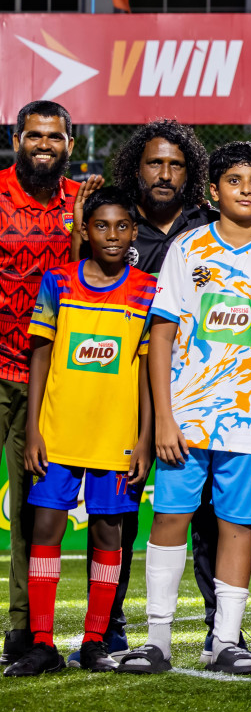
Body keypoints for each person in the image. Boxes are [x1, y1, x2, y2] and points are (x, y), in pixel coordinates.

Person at [118, 142, 251, 676]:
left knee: (238, 525)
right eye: (234, 181)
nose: (245, 189)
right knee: (171, 517)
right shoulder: (189, 248)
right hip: (188, 416)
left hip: (250, 421)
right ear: (212, 191)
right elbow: (162, 333)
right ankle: (157, 641)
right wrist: (165, 419)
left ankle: (224, 640)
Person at [4, 188, 155, 676]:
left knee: (109, 532)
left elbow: (149, 374)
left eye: (122, 227)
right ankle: (43, 643)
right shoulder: (58, 282)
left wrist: (146, 440)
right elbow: (40, 358)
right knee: (46, 529)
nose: (111, 236)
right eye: (101, 226)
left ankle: (94, 641)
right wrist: (34, 431)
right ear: (85, 231)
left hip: (117, 436)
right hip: (59, 429)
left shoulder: (147, 290)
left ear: (133, 232)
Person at [0, 100, 82, 666]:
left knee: (30, 513)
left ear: (70, 145)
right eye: (35, 136)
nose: (44, 145)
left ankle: (23, 631)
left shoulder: (83, 202)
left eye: (55, 137)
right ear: (16, 139)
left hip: (42, 382)